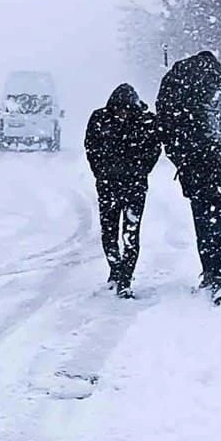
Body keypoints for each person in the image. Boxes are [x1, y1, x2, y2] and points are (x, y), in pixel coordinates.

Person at [156, 51, 221, 303]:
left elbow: (168, 130)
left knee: (204, 224)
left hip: (199, 174)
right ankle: (220, 275)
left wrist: (183, 161)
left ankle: (209, 272)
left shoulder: (183, 92)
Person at [84, 83, 161, 298]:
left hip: (134, 187)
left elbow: (154, 149)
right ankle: (115, 269)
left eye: (125, 111)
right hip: (108, 186)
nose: (122, 115)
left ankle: (125, 278)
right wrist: (101, 173)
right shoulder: (100, 119)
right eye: (118, 110)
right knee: (109, 233)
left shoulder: (146, 122)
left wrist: (139, 171)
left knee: (131, 234)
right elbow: (91, 148)